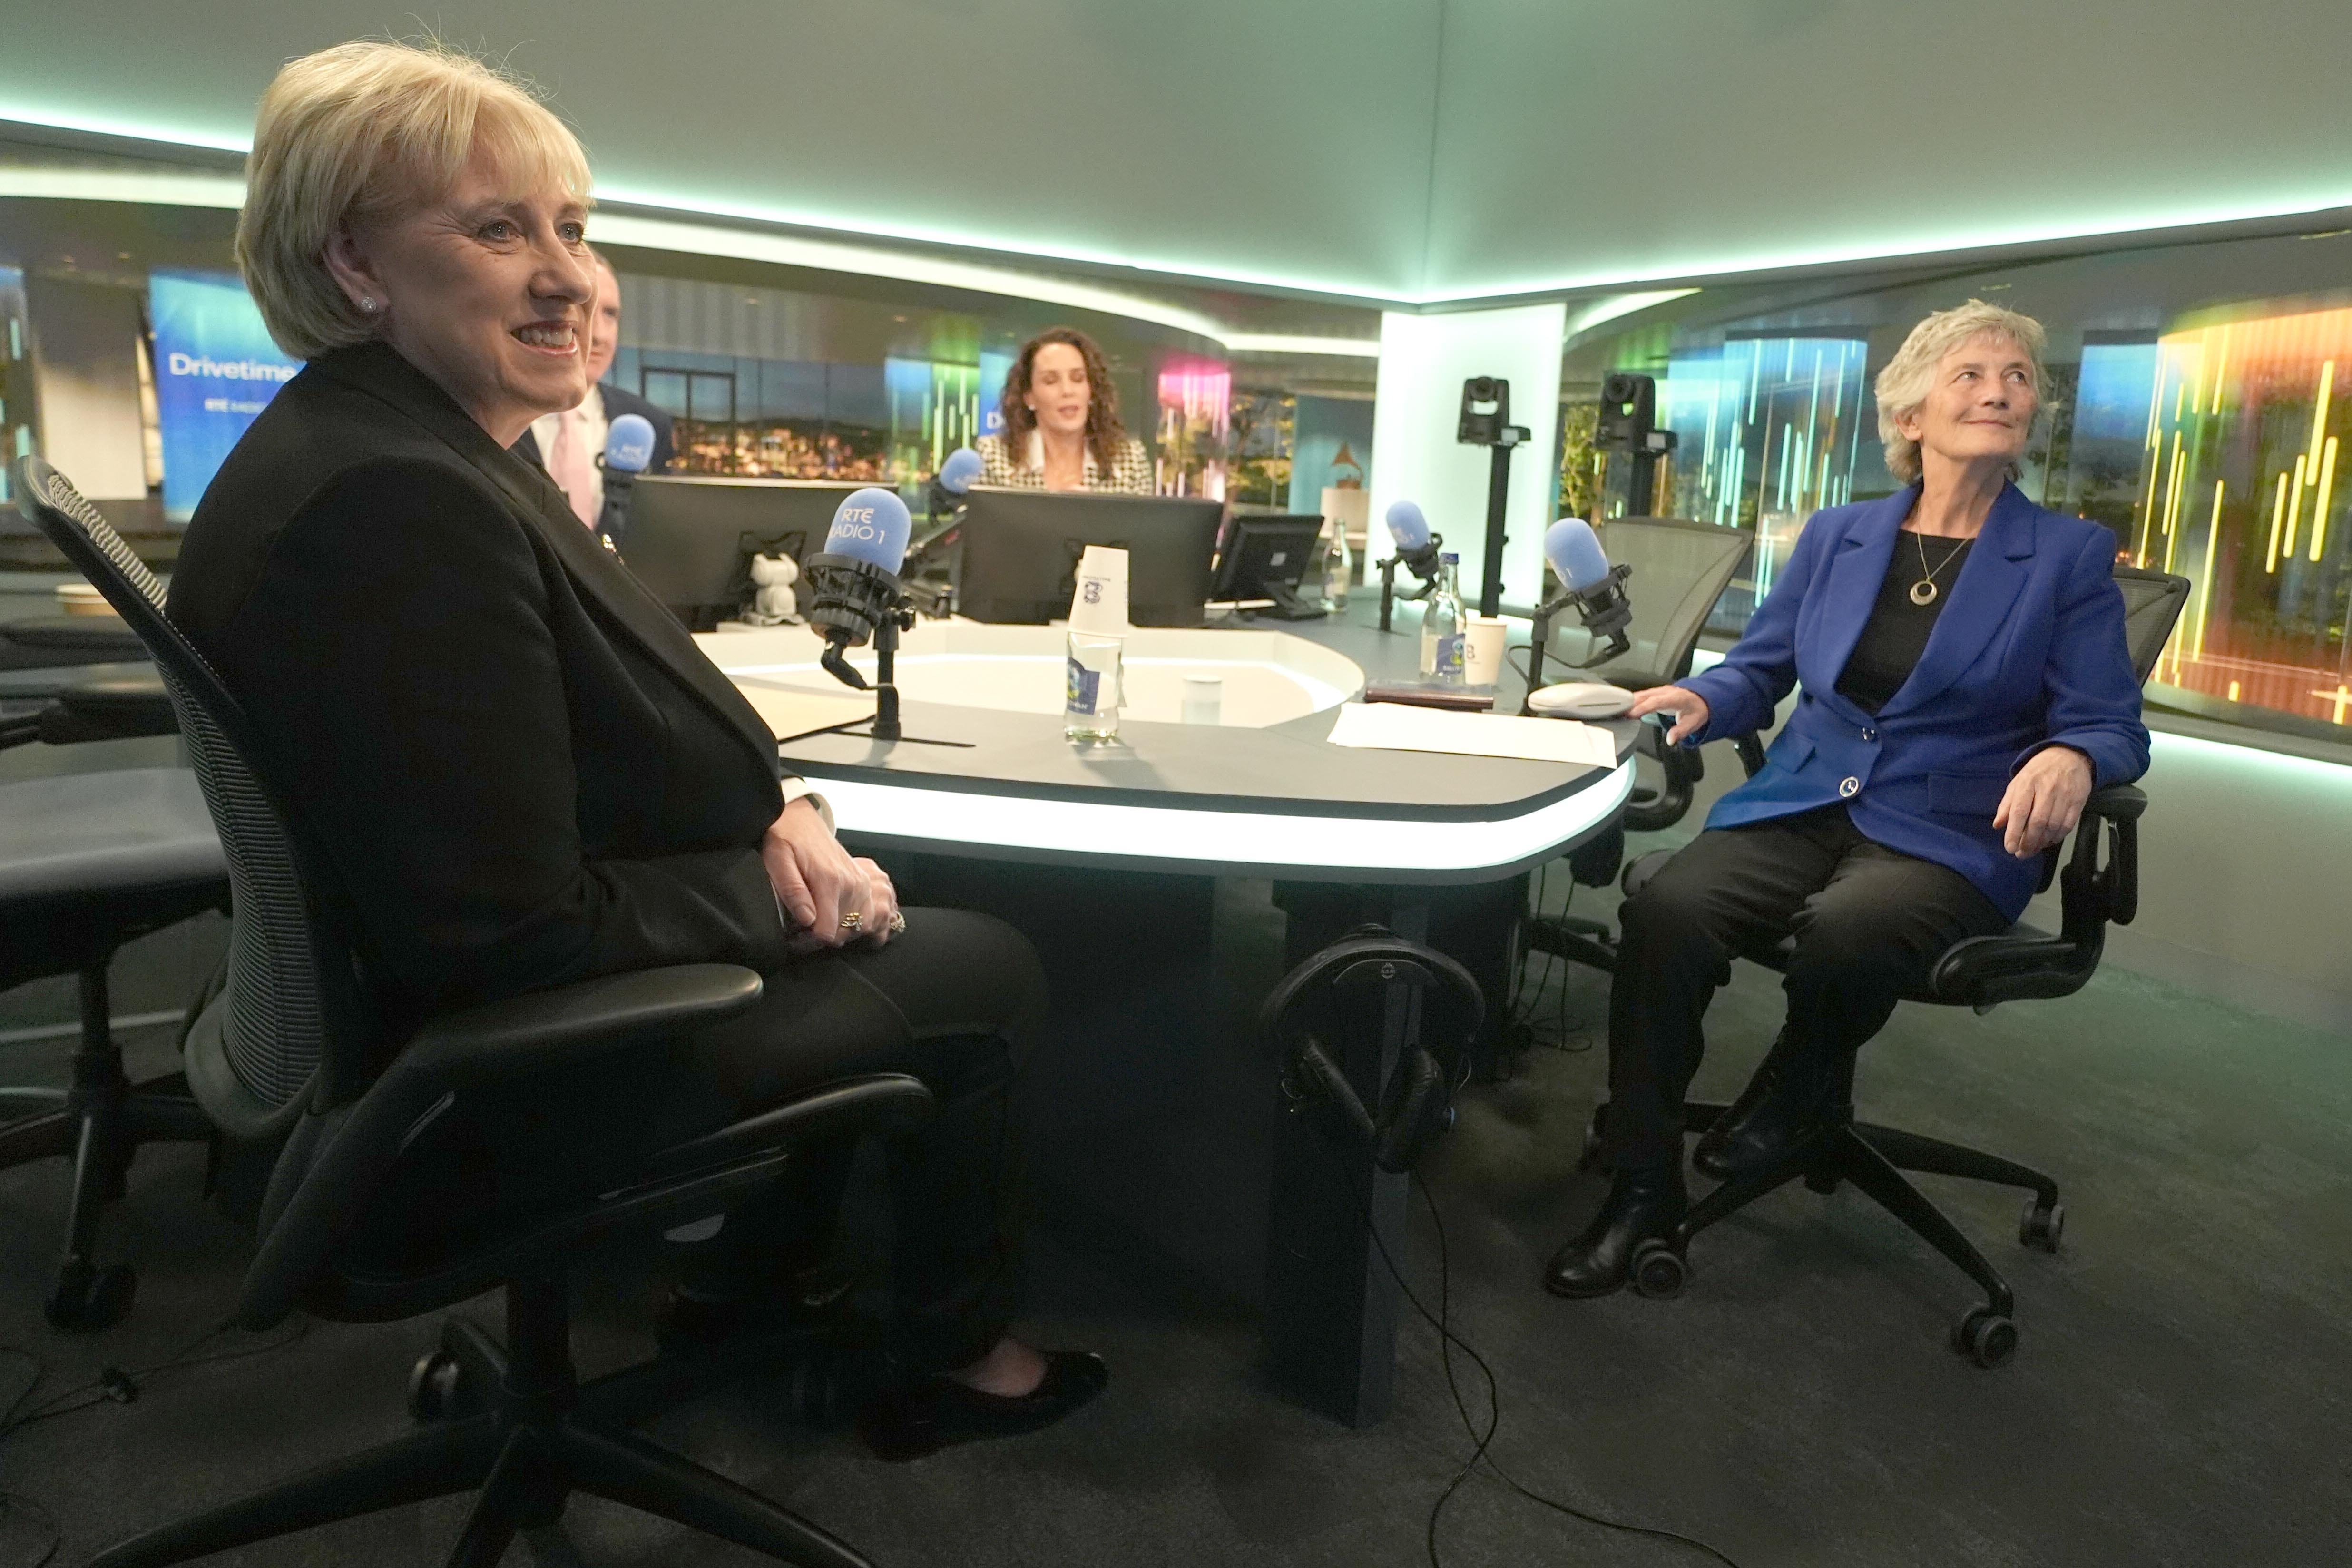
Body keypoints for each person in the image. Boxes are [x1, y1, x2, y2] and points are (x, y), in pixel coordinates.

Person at [167, 39, 1104, 1457]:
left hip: (448, 1025)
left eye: (571, 229)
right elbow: (509, 931)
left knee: (878, 896)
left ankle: (746, 1278)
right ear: (356, 264)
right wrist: (780, 890)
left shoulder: (417, 448)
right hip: (481, 1086)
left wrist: (774, 813)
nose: (565, 274)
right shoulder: (394, 506)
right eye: (498, 228)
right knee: (988, 966)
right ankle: (954, 1355)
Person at [1544, 301, 2150, 1298]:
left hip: (1952, 831)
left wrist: (2077, 759)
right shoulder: (1838, 535)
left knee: (1851, 927)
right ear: (1911, 413)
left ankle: (1799, 1076)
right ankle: (1640, 1184)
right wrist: (1704, 693)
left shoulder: (2066, 556)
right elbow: (1765, 665)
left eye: (2018, 377)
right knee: (1668, 908)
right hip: (1803, 801)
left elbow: (2112, 721)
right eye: (1971, 374)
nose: (2001, 390)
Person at [510, 247, 675, 534]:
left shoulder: (648, 423)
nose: (598, 335)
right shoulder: (491, 417)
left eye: (610, 314)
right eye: (583, 308)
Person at [976, 327, 1155, 492]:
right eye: (1051, 381)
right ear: (1029, 397)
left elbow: (1149, 527)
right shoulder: (993, 457)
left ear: (1091, 391)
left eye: (1078, 379)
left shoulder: (1130, 460)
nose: (1068, 391)